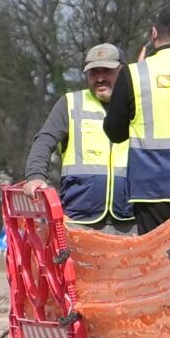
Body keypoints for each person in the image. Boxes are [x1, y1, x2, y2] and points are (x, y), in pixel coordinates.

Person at [100, 12, 170, 338]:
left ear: (153, 34)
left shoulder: (135, 74)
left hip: (154, 190)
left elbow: (114, 131)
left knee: (163, 279)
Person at [23, 43, 130, 228]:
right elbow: (44, 140)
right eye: (94, 72)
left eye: (107, 71)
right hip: (80, 219)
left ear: (123, 71)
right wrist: (35, 176)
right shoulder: (70, 103)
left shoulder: (138, 105)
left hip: (130, 219)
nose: (100, 78)